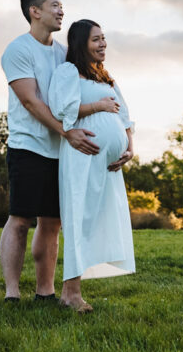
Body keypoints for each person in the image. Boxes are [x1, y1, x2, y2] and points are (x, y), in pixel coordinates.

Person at [0, 0, 117, 302]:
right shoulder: (18, 50)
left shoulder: (63, 52)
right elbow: (31, 101)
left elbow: (81, 92)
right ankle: (12, 293)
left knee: (52, 222)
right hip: (28, 146)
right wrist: (67, 132)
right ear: (35, 11)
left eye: (62, 5)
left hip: (61, 151)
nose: (61, 11)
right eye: (55, 5)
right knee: (21, 219)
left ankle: (45, 292)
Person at [48, 19, 136, 313]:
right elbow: (63, 110)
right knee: (79, 218)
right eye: (96, 39)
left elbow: (125, 118)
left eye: (104, 39)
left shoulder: (106, 77)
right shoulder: (68, 71)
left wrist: (129, 148)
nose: (103, 44)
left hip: (108, 164)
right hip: (82, 154)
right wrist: (98, 107)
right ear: (81, 43)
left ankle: (73, 291)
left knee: (99, 218)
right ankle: (70, 293)